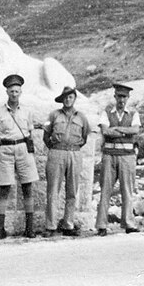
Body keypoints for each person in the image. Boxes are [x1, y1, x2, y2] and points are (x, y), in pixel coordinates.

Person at [0, 74, 40, 240]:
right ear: (7, 92)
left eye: (17, 91)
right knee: (4, 188)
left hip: (23, 148)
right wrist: (1, 146)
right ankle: (0, 229)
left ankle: (29, 228)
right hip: (6, 149)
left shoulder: (27, 111)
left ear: (20, 92)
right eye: (11, 91)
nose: (14, 94)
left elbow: (30, 132)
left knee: (27, 186)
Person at [43, 86, 91, 237]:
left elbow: (84, 137)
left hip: (74, 154)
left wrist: (72, 147)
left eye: (70, 97)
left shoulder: (81, 117)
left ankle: (68, 225)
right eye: (65, 97)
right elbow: (46, 136)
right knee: (53, 190)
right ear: (62, 99)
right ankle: (50, 226)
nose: (68, 99)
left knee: (72, 191)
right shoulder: (53, 115)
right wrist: (56, 147)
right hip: (57, 152)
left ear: (74, 98)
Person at [95, 82, 142, 236]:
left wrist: (118, 130)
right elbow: (106, 131)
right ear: (114, 96)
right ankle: (101, 225)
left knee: (127, 191)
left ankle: (129, 224)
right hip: (109, 156)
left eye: (124, 97)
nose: (121, 100)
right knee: (105, 190)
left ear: (128, 98)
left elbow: (135, 130)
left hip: (127, 157)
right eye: (119, 96)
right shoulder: (107, 112)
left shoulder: (133, 114)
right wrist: (123, 133)